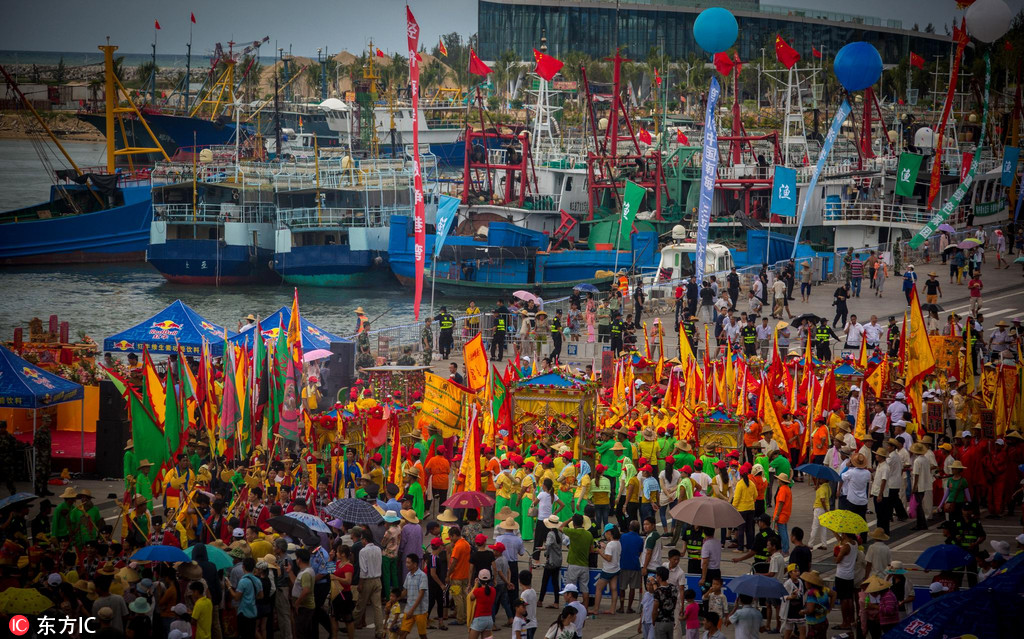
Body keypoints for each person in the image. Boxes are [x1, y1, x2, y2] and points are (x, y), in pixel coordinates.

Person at [227, 556, 262, 637]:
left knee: (243, 634)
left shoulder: (243, 581)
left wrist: (229, 587)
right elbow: (261, 596)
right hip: (253, 611)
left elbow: (236, 597)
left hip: (243, 612)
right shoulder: (257, 580)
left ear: (243, 567)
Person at [593, 524, 621, 614]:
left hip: (608, 570)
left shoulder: (610, 545)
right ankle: (612, 609)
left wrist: (599, 551)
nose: (605, 535)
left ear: (609, 532)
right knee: (614, 588)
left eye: (605, 533)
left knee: (598, 588)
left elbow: (608, 558)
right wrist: (605, 547)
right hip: (616, 568)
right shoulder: (618, 543)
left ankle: (596, 609)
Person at [399, 554, 429, 639]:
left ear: (415, 564)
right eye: (406, 562)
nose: (406, 565)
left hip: (420, 610)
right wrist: (394, 599)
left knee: (422, 635)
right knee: (403, 634)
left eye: (408, 563)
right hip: (409, 610)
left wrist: (411, 610)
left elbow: (421, 594)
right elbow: (405, 591)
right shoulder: (408, 575)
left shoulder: (422, 576)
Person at [469, 569, 497, 639]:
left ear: (479, 580)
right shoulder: (493, 590)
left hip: (479, 619)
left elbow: (471, 598)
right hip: (489, 620)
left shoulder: (477, 591)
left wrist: (475, 585)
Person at [650, 566, 677, 639]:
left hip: (661, 621)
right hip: (671, 620)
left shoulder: (658, 592)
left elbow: (655, 610)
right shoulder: (673, 588)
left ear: (659, 577)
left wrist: (653, 620)